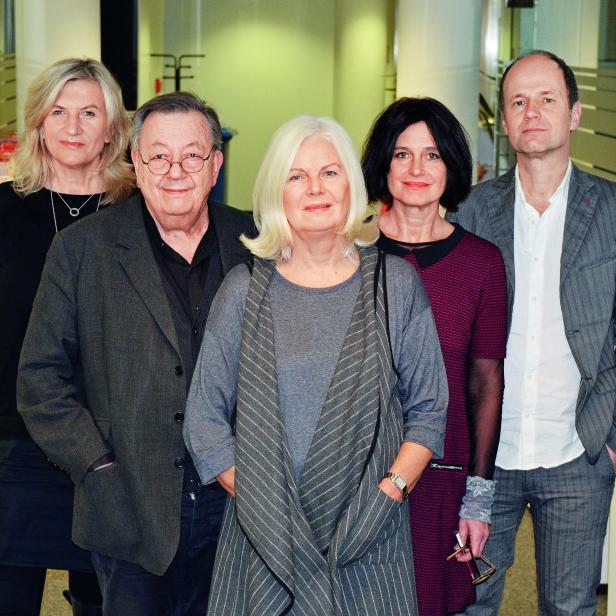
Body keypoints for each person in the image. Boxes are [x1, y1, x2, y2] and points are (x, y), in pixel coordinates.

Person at [183, 115, 449, 616]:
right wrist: (267, 508)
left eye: (329, 172)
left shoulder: (395, 286)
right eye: (296, 175)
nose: (314, 188)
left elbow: (430, 409)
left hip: (369, 538)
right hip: (264, 542)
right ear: (274, 193)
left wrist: (389, 493)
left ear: (351, 184)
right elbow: (204, 421)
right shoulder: (243, 292)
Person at [17, 91, 255, 616]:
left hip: (239, 508)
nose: (175, 171)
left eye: (191, 155)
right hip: (128, 508)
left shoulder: (256, 242)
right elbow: (40, 379)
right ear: (136, 165)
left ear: (215, 165)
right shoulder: (82, 249)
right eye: (158, 156)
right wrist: (95, 467)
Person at [449, 50, 616, 615]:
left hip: (580, 453)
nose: (533, 112)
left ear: (573, 113)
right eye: (518, 101)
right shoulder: (473, 210)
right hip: (485, 458)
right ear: (503, 116)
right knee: (467, 604)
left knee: (569, 609)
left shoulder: (613, 210)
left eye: (548, 99)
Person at [362, 97, 508, 616]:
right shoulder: (348, 255)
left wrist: (478, 496)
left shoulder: (481, 264)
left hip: (440, 480)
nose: (417, 169)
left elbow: (485, 383)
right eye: (402, 155)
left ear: (452, 165)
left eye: (432, 155)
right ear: (383, 164)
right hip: (357, 478)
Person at [0, 57, 134, 616]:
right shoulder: (4, 211)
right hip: (13, 440)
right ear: (37, 122)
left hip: (110, 447)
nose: (73, 127)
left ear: (113, 126)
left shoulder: (139, 212)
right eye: (59, 111)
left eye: (88, 112)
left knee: (106, 601)